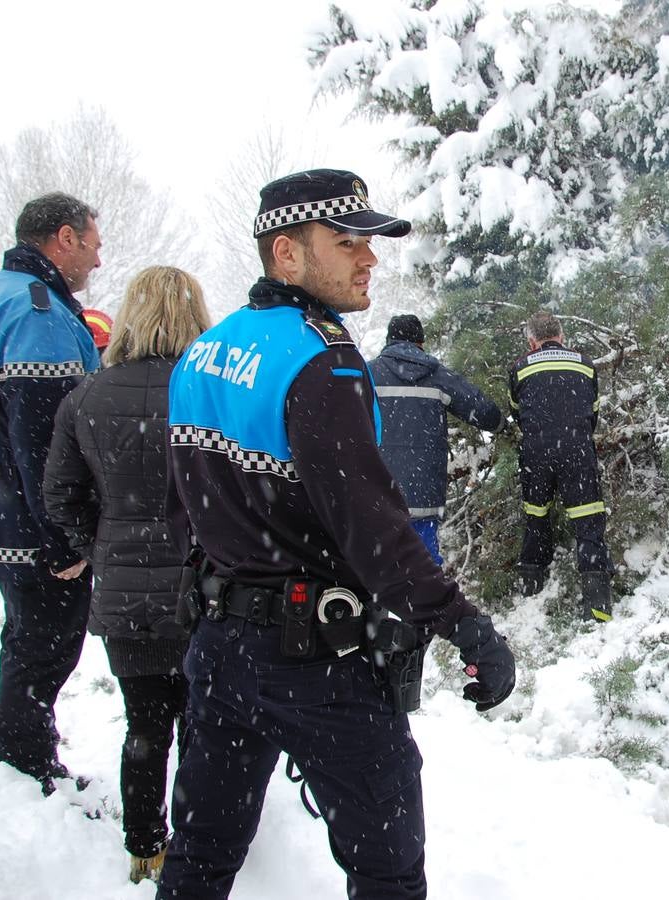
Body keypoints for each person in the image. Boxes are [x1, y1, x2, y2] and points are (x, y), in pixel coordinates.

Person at [158, 168, 515, 899]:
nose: (369, 258)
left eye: (369, 241)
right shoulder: (322, 363)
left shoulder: (206, 350)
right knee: (387, 868)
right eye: (347, 240)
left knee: (200, 853)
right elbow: (373, 529)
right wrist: (467, 627)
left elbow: (185, 507)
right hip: (314, 659)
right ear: (286, 254)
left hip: (221, 650)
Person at [43, 267, 212, 883]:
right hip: (205, 587)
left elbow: (60, 496)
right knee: (203, 723)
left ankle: (145, 846)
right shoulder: (209, 393)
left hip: (125, 592)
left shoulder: (86, 397)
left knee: (145, 723)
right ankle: (199, 847)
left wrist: (105, 546)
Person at [0, 192, 103, 793]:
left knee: (26, 642)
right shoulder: (37, 313)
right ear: (63, 238)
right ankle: (28, 769)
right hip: (28, 520)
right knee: (44, 648)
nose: (96, 260)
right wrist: (64, 536)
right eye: (91, 245)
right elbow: (44, 442)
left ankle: (26, 758)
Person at [368, 313, 503, 564]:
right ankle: (425, 600)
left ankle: (383, 601)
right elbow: (482, 410)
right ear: (420, 343)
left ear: (388, 341)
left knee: (377, 567)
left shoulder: (367, 374)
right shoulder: (437, 375)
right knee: (424, 566)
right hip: (424, 492)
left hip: (380, 492)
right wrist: (501, 426)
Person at [508, 310, 613, 621]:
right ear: (562, 336)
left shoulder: (520, 368)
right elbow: (593, 412)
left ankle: (531, 590)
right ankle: (597, 609)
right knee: (589, 524)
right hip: (577, 450)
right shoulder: (585, 363)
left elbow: (517, 412)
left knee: (536, 519)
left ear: (531, 341)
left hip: (536, 453)